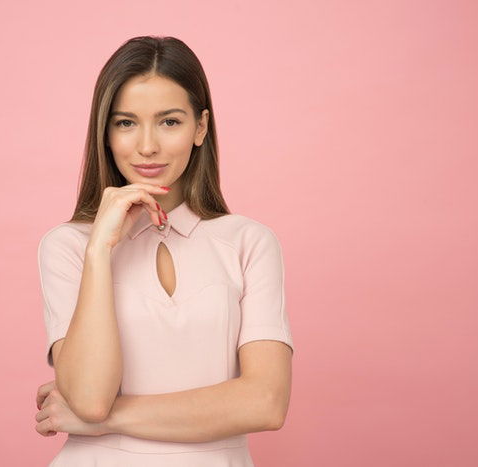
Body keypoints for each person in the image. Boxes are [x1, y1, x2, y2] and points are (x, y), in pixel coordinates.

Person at [33, 35, 295, 466]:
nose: (148, 145)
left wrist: (103, 421)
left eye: (169, 121)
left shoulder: (249, 242)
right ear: (105, 132)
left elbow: (265, 402)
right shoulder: (68, 247)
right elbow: (90, 398)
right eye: (126, 122)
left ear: (201, 127)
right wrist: (100, 248)